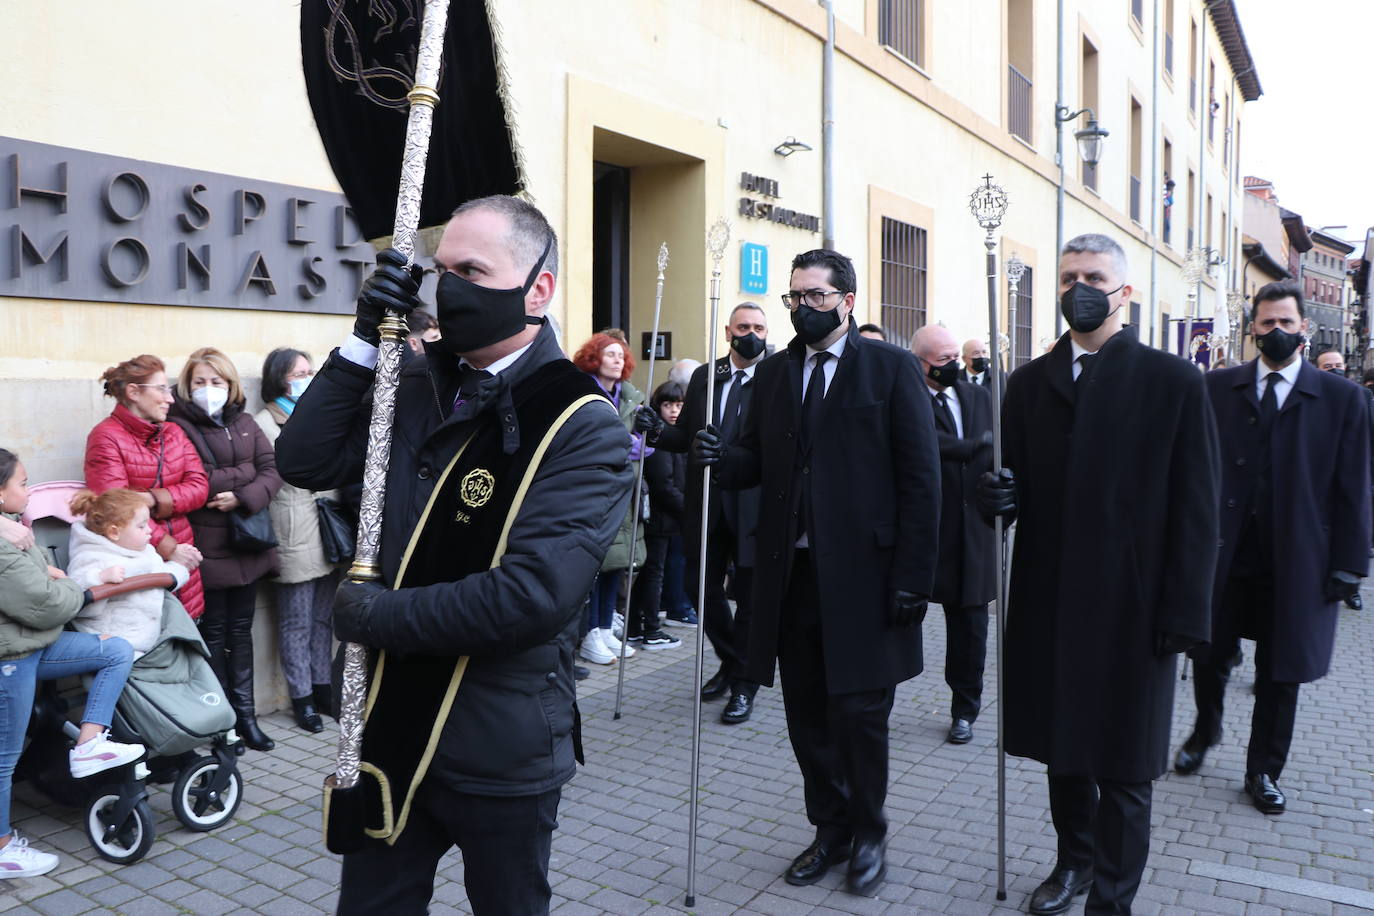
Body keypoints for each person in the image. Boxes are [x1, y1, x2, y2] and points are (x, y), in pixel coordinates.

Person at [275, 194, 631, 916]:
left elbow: (532, 595)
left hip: (499, 742)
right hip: (387, 727)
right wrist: (362, 344)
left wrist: (374, 616)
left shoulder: (581, 423)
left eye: (472, 269)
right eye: (441, 271)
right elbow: (304, 459)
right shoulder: (414, 379)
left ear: (538, 288)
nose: (449, 289)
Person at [977, 233, 1219, 916]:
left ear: (1125, 292)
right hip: (1050, 601)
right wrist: (991, 495)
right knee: (1065, 752)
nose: (1078, 288)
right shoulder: (1027, 384)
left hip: (1135, 609)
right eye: (1068, 277)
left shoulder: (1172, 381)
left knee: (1126, 763)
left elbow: (1198, 511)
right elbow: (1009, 483)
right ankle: (1074, 862)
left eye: (1093, 276)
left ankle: (1112, 900)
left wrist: (1186, 614)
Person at [696, 249, 940, 896]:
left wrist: (915, 576)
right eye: (795, 298)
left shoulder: (889, 369)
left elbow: (922, 479)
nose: (804, 308)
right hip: (791, 576)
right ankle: (827, 828)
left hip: (868, 579)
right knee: (806, 714)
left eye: (817, 297)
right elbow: (756, 463)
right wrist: (719, 455)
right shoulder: (775, 374)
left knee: (860, 715)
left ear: (848, 301)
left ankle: (869, 832)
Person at [1173, 280, 1370, 816]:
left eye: (1286, 322)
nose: (1277, 332)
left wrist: (1351, 565)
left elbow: (1355, 488)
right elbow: (1190, 471)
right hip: (1225, 556)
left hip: (1299, 562)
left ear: (1303, 327)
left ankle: (1263, 769)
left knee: (1280, 672)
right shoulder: (1217, 388)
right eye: (1267, 324)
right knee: (1208, 653)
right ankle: (1205, 731)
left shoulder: (1343, 399)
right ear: (1253, 329)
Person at [0, 450, 146, 878]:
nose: (28, 490)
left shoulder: (15, 532)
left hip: (35, 645)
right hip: (12, 658)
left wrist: (57, 582)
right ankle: (3, 848)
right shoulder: (5, 545)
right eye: (23, 482)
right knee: (5, 758)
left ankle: (88, 746)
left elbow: (45, 584)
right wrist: (77, 589)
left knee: (114, 650)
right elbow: (45, 604)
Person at [638, 302, 771, 724]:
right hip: (708, 500)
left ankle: (746, 683)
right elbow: (686, 437)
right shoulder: (705, 377)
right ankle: (733, 660)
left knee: (749, 597)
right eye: (744, 326)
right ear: (729, 331)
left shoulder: (778, 376)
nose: (752, 333)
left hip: (755, 501)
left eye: (759, 327)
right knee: (701, 587)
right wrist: (658, 430)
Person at [167, 347, 283, 752]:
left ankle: (247, 717)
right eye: (200, 381)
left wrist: (242, 495)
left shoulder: (248, 423)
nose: (208, 389)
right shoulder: (176, 427)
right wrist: (242, 476)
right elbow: (192, 478)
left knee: (242, 633)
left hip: (247, 543)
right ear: (187, 384)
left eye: (216, 381)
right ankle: (222, 724)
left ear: (230, 385)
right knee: (212, 636)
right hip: (206, 545)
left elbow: (273, 470)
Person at [910, 324, 995, 745]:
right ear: (921, 363)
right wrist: (973, 446)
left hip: (973, 534)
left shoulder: (980, 396)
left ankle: (965, 709)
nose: (955, 367)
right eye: (943, 360)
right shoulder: (907, 400)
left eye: (955, 358)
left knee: (971, 632)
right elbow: (927, 442)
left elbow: (999, 452)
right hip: (925, 534)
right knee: (902, 620)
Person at [254, 348, 341, 732]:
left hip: (327, 528)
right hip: (293, 530)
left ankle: (323, 689)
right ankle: (301, 699)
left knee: (324, 618)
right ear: (278, 379)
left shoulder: (316, 415)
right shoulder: (264, 423)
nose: (306, 378)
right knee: (296, 622)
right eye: (297, 373)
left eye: (310, 371)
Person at [85, 355, 208, 619]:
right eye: (162, 389)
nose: (170, 398)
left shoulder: (174, 432)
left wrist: (152, 499)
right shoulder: (105, 437)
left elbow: (199, 487)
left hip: (185, 559)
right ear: (133, 392)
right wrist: (169, 548)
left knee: (190, 637)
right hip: (141, 566)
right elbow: (116, 508)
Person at [573, 332, 646, 666]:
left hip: (624, 487)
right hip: (590, 486)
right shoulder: (582, 392)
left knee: (617, 561)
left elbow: (646, 445)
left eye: (622, 355)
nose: (619, 360)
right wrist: (625, 441)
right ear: (594, 358)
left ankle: (604, 628)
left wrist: (648, 432)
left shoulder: (631, 397)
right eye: (611, 354)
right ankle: (587, 633)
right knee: (593, 565)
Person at [66, 488, 203, 655]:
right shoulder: (91, 556)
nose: (149, 530)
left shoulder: (144, 550)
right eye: (141, 526)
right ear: (114, 532)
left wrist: (181, 566)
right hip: (113, 644)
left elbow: (162, 574)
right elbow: (75, 598)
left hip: (149, 639)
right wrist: (99, 578)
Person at [627, 382, 685, 651]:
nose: (674, 410)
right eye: (667, 405)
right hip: (660, 519)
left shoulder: (672, 434)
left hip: (663, 518)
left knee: (650, 572)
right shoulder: (660, 439)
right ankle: (651, 629)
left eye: (678, 405)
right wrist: (688, 509)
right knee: (654, 574)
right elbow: (665, 486)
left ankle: (637, 627)